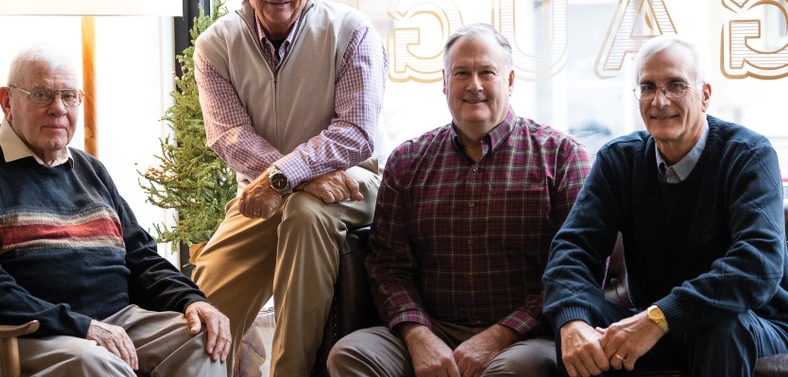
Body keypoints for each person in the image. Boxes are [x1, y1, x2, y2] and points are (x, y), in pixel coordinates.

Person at [0, 44, 231, 377]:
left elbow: (141, 258)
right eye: (41, 95)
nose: (58, 109)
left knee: (201, 338)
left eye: (69, 96)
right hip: (18, 334)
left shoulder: (91, 170)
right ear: (7, 101)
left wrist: (191, 300)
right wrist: (81, 326)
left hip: (116, 322)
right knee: (95, 361)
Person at [327, 23, 592, 377]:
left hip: (525, 336)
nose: (474, 85)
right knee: (350, 354)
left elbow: (573, 268)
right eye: (462, 73)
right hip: (431, 328)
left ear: (510, 81)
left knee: (515, 370)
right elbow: (388, 265)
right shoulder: (407, 161)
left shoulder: (562, 156)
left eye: (487, 73)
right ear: (444, 82)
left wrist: (498, 337)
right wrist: (419, 336)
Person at [190, 0, 388, 376]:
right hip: (264, 192)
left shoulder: (351, 31)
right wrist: (293, 178)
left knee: (303, 213)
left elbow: (356, 133)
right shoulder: (215, 46)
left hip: (352, 185)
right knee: (203, 303)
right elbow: (229, 136)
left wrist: (285, 176)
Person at [542, 34, 788, 377]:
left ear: (705, 96)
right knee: (581, 325)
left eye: (676, 85)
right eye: (647, 87)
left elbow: (758, 263)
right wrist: (572, 321)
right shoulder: (619, 160)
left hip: (753, 322)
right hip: (653, 324)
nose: (659, 101)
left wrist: (660, 317)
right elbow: (573, 249)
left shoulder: (749, 156)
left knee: (721, 323)